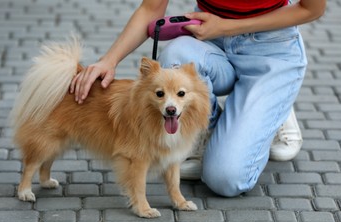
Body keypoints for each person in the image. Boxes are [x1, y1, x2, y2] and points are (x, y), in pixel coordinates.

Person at [70, 0, 326, 197]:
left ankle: (276, 108)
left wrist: (227, 26)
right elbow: (151, 8)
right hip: (211, 42)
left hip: (271, 49)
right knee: (177, 56)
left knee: (225, 179)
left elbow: (311, 8)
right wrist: (109, 60)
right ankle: (210, 127)